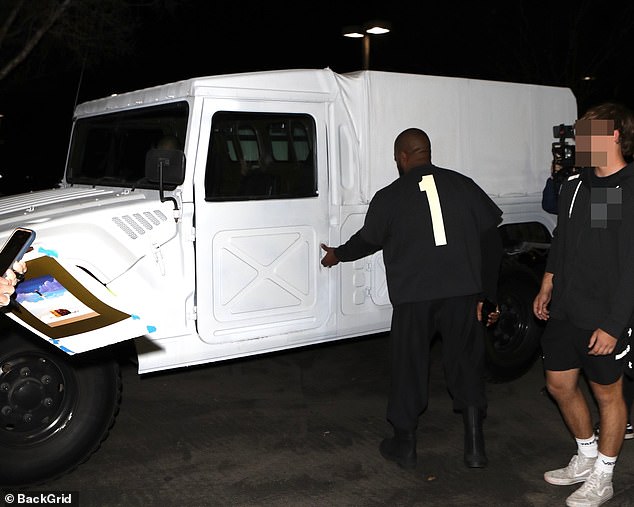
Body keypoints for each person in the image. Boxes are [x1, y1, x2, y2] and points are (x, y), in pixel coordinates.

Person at [320, 128, 503, 469]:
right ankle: (475, 447)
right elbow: (493, 241)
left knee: (409, 366)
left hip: (414, 298)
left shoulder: (390, 196)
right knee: (466, 363)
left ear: (402, 157)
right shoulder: (463, 184)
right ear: (427, 153)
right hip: (462, 294)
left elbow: (367, 240)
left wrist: (337, 255)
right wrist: (488, 297)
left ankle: (405, 444)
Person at [533, 102, 634, 506]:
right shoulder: (578, 183)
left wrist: (613, 324)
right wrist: (546, 284)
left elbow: (630, 266)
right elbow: (565, 239)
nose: (577, 142)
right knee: (558, 384)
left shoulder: (629, 188)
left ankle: (604, 476)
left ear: (613, 136)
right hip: (566, 308)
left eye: (586, 134)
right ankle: (586, 455)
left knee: (608, 395)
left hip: (605, 314)